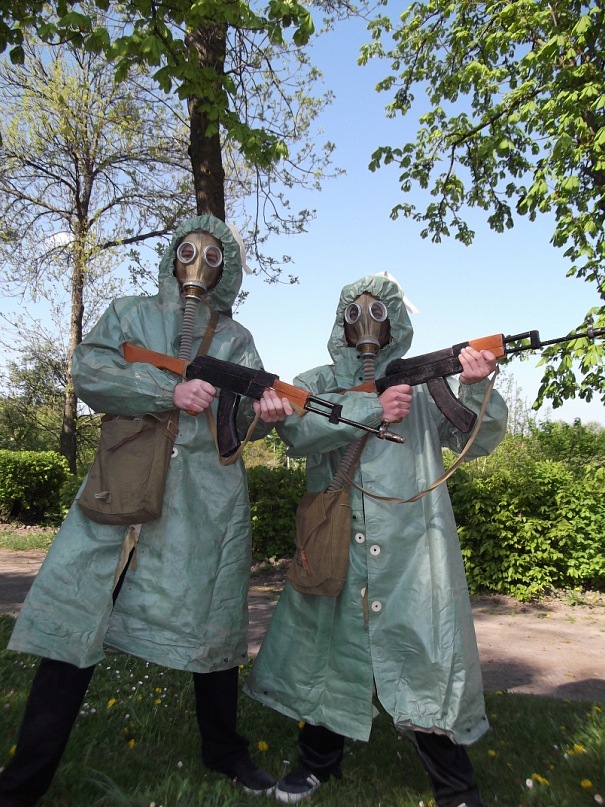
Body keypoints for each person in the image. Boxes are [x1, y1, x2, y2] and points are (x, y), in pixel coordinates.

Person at [0, 214, 293, 807]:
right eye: (189, 249)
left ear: (227, 270)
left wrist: (263, 417)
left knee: (211, 617)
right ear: (172, 254)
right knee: (79, 614)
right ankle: (24, 779)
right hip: (123, 485)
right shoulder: (129, 314)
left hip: (204, 502)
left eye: (213, 255)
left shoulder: (235, 339)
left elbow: (236, 424)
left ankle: (224, 751)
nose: (198, 262)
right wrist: (167, 391)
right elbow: (89, 371)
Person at [244, 273, 508, 807]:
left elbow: (478, 438)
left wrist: (476, 386)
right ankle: (318, 764)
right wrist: (371, 409)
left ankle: (455, 787)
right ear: (341, 320)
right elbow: (298, 434)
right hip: (336, 539)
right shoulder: (317, 382)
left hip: (413, 548)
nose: (366, 323)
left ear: (397, 321)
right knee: (332, 651)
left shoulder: (423, 384)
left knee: (425, 652)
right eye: (356, 312)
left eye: (378, 312)